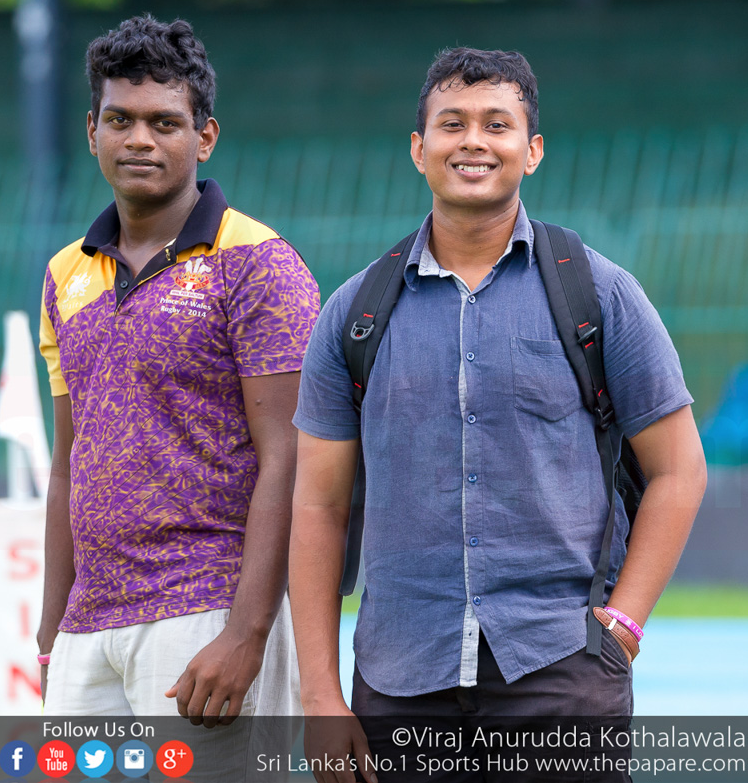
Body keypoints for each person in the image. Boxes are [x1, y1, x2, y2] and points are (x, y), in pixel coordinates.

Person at [289, 47, 707, 782]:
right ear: (419, 148)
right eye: (452, 124)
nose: (473, 141)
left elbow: (679, 470)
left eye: (496, 124)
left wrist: (624, 627)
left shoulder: (600, 294)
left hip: (563, 672)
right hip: (398, 680)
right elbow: (319, 507)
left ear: (532, 150)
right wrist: (320, 694)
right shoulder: (354, 314)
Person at [36, 14, 317, 749]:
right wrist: (51, 628)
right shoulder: (64, 274)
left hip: (207, 615)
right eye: (120, 120)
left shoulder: (257, 262)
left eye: (164, 122)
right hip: (88, 628)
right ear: (91, 130)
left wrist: (247, 633)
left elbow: (290, 458)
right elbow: (68, 462)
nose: (140, 140)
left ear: (204, 136)